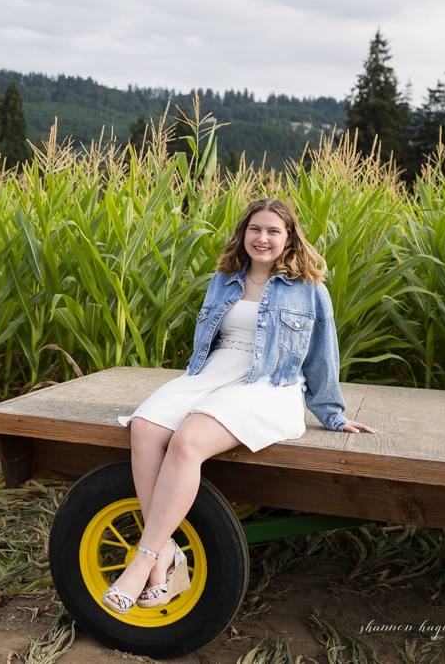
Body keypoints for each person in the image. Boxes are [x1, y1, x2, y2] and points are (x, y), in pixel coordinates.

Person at [103, 197, 377, 615]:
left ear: (289, 238)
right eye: (255, 229)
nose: (262, 238)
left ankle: (144, 561)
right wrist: (194, 384)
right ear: (243, 234)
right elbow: (209, 343)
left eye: (272, 231)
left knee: (188, 440)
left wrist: (332, 415)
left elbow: (323, 354)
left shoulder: (309, 289)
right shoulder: (224, 278)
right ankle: (168, 555)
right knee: (144, 426)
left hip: (268, 384)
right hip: (213, 373)